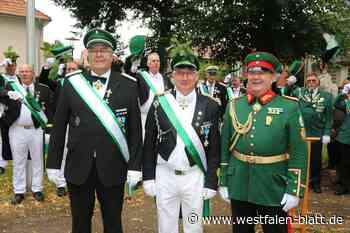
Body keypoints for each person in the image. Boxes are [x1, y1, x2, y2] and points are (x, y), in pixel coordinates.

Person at [47, 28, 143, 233]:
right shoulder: (72, 84)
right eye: (94, 49)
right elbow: (58, 127)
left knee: (113, 223)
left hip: (114, 167)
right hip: (78, 167)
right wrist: (53, 164)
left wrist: (135, 166)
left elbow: (135, 131)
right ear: (87, 54)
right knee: (80, 224)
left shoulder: (128, 85)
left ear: (112, 55)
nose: (99, 54)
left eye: (104, 49)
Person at [219, 52, 307, 233]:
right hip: (239, 182)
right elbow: (225, 147)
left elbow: (299, 152)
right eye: (252, 72)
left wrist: (294, 189)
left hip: (273, 183)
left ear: (273, 76)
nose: (256, 77)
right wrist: (224, 181)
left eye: (263, 72)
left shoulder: (289, 106)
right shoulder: (234, 105)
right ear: (246, 75)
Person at [142, 48, 220, 233]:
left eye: (189, 72)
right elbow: (149, 143)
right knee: (166, 225)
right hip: (165, 174)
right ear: (172, 76)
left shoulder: (210, 105)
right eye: (180, 73)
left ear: (196, 76)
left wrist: (210, 181)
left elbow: (214, 146)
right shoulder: (159, 103)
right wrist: (149, 177)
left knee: (194, 226)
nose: (185, 77)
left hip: (195, 175)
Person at [6, 64, 54, 204]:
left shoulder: (43, 90)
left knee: (37, 159)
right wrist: (7, 94)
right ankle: (19, 191)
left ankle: (37, 189)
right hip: (17, 129)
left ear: (33, 73)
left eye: (27, 71)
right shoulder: (11, 87)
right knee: (18, 160)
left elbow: (49, 110)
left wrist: (50, 129)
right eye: (22, 71)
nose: (24, 74)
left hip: (36, 129)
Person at [294, 73, 333, 193]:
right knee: (300, 158)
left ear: (318, 82)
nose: (311, 83)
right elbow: (285, 91)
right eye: (309, 81)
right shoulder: (299, 92)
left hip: (317, 132)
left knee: (315, 159)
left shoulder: (326, 96)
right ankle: (301, 181)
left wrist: (327, 133)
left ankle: (315, 182)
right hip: (301, 132)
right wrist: (290, 83)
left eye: (313, 81)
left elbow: (329, 116)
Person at [139, 52, 173, 139]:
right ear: (148, 63)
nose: (156, 63)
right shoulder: (141, 77)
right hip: (145, 117)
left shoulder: (165, 78)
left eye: (158, 61)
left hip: (163, 118)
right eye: (153, 61)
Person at [333, 83, 350, 195]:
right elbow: (336, 103)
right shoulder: (347, 102)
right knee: (344, 163)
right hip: (345, 137)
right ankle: (344, 186)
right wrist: (342, 93)